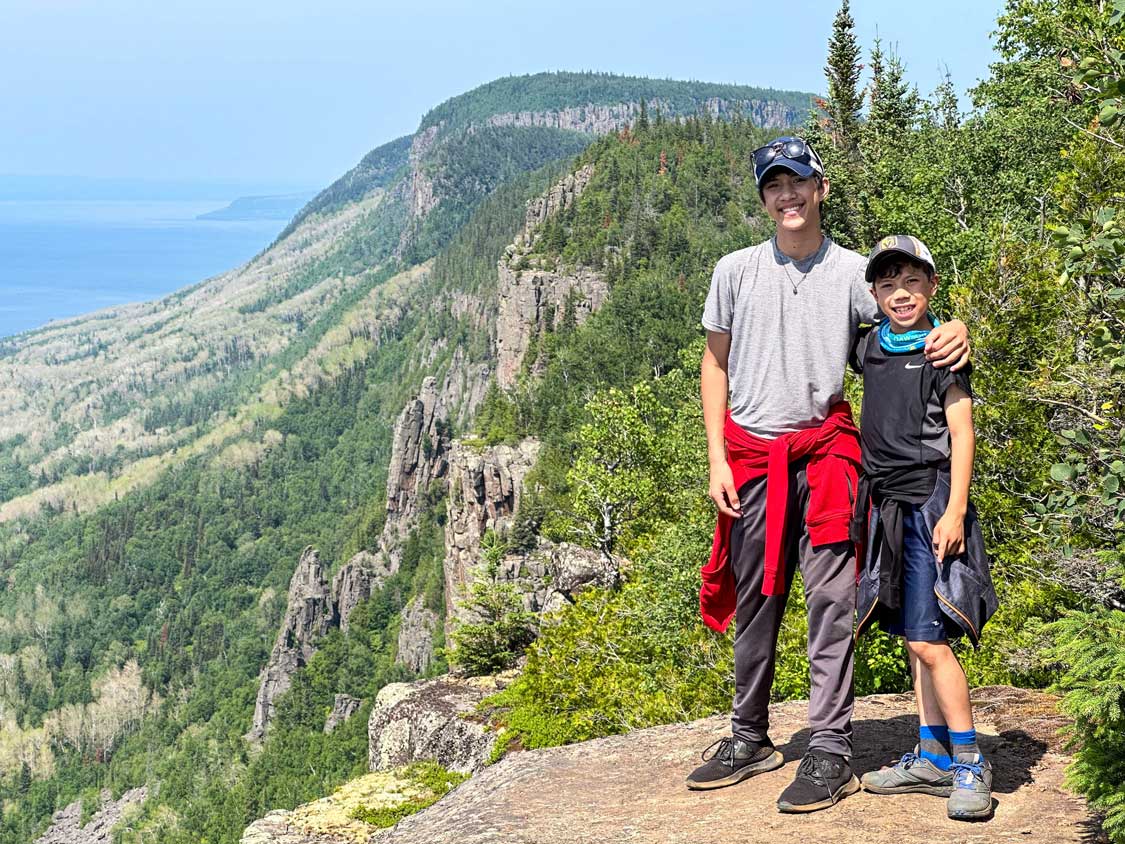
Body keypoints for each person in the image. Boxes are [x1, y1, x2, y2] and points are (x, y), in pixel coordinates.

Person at [687, 136, 970, 813]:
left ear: (819, 188)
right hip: (751, 457)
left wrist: (960, 327)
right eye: (772, 186)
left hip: (826, 457)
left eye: (796, 182)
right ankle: (748, 735)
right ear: (763, 198)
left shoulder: (852, 273)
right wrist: (716, 459)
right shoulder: (733, 271)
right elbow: (713, 365)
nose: (785, 196)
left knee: (830, 602)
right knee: (756, 598)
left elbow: (910, 322)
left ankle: (830, 749)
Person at [851, 235, 997, 821]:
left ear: (931, 285)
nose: (900, 294)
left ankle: (969, 762)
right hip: (886, 506)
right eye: (887, 284)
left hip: (930, 504)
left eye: (912, 282)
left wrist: (956, 508)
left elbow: (962, 433)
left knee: (928, 640)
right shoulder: (868, 348)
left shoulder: (944, 354)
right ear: (874, 294)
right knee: (913, 635)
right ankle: (933, 754)